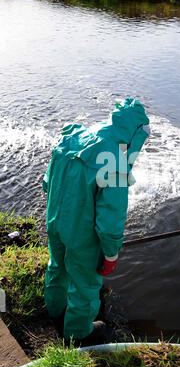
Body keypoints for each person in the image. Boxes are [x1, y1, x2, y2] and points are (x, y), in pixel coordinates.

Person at [42, 98, 150, 346]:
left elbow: (47, 181)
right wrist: (111, 254)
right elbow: (111, 216)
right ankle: (79, 333)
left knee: (56, 266)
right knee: (86, 283)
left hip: (54, 220)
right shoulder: (116, 158)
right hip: (83, 233)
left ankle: (55, 310)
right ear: (133, 135)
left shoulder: (72, 136)